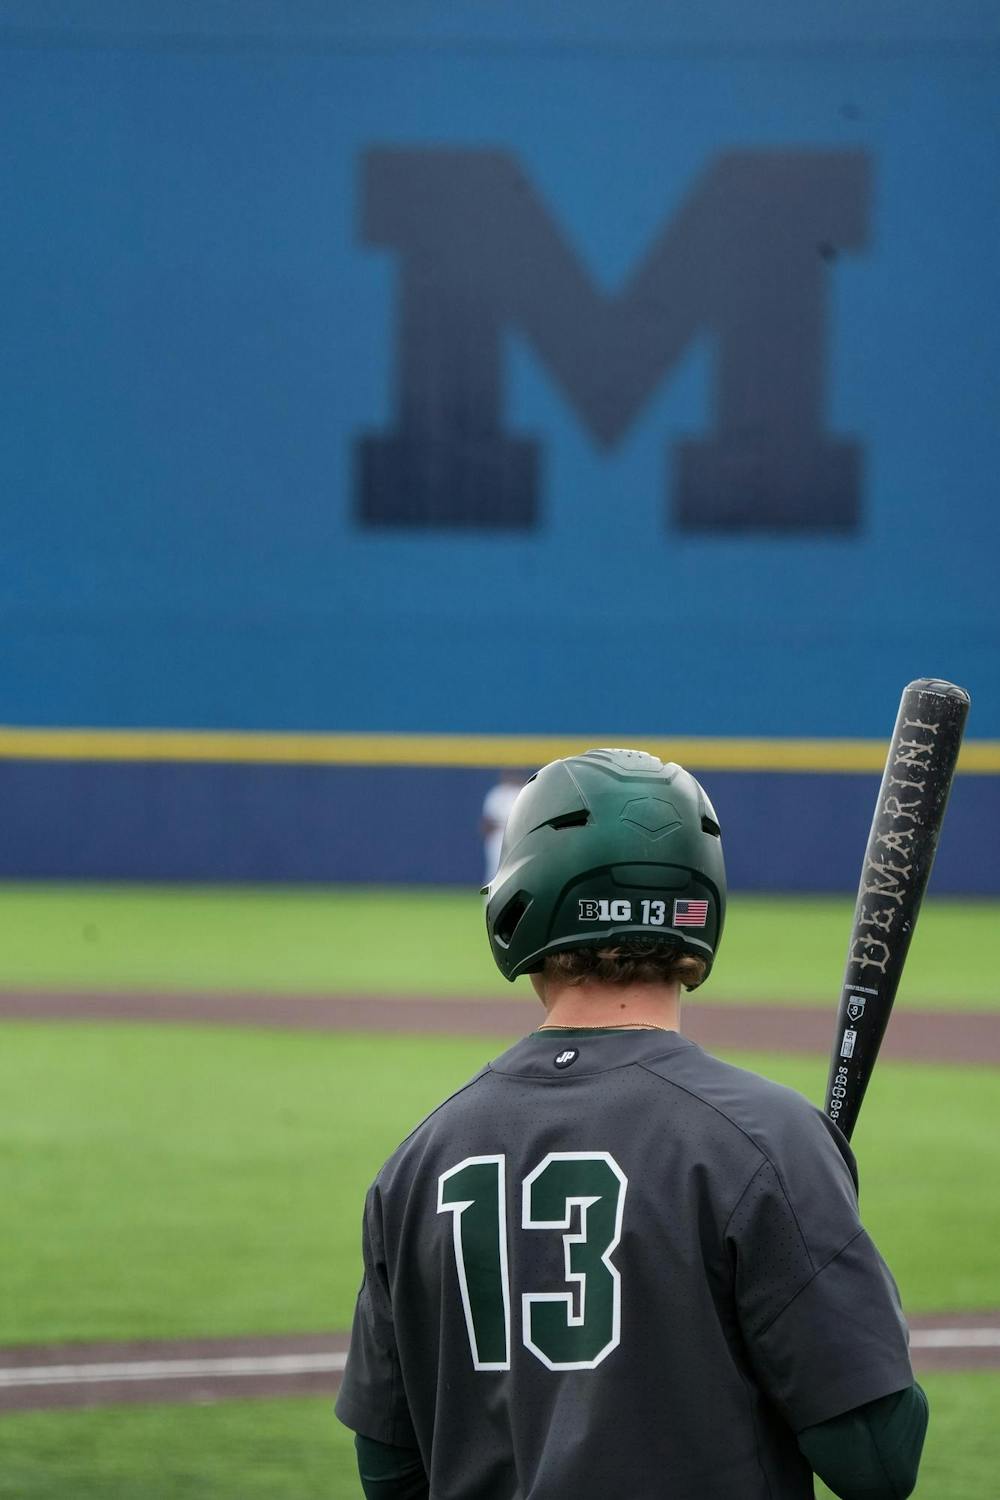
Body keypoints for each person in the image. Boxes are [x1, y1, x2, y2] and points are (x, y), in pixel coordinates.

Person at [336, 748, 928, 1500]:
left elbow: (389, 1473)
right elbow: (876, 1461)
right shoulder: (769, 1140)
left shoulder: (419, 1161)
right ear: (700, 905)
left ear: (521, 898)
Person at [480, 770, 524, 886]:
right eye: (508, 774)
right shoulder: (496, 793)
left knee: (516, 871)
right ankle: (490, 901)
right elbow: (486, 822)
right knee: (494, 871)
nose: (510, 777)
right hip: (498, 836)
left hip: (516, 836)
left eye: (512, 774)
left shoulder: (521, 792)